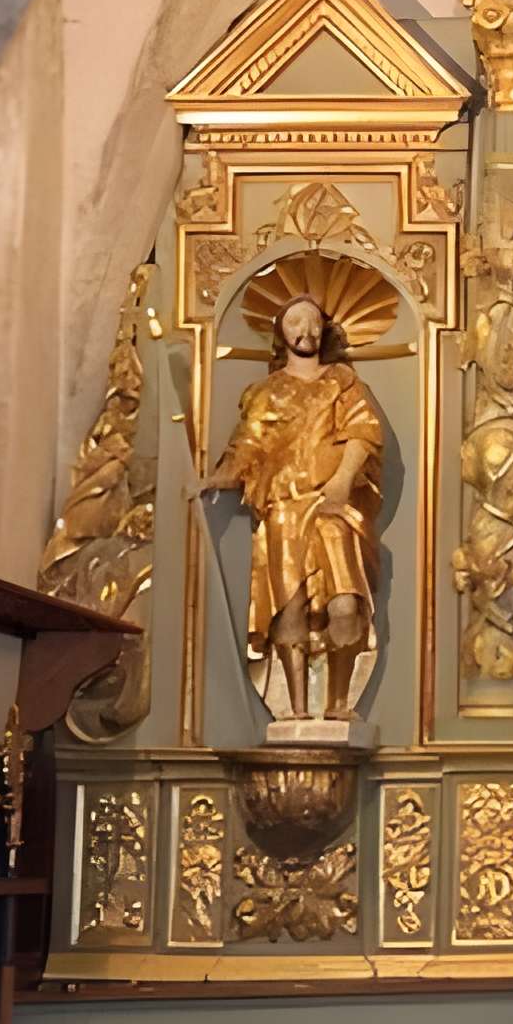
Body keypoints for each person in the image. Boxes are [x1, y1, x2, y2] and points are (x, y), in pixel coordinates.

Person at [201, 295, 387, 720]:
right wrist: (216, 478)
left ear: (323, 329)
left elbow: (363, 431)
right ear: (281, 331)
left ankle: (338, 704)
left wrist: (342, 480)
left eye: (312, 321)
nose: (305, 330)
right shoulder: (265, 393)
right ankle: (296, 710)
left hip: (333, 508)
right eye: (295, 322)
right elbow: (247, 447)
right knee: (289, 608)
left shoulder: (341, 381)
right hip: (284, 507)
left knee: (346, 603)